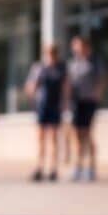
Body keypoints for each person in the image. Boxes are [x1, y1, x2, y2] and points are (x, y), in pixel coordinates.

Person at [24, 44, 68, 182]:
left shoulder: (61, 68)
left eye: (53, 53)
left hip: (55, 106)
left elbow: (66, 87)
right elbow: (30, 86)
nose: (51, 56)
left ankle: (53, 169)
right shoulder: (39, 68)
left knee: (54, 138)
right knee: (40, 138)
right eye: (49, 53)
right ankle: (39, 167)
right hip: (42, 105)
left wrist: (65, 103)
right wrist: (32, 97)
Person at [68, 36, 106, 182]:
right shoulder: (73, 63)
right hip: (76, 102)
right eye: (74, 46)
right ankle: (78, 167)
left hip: (89, 102)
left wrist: (97, 94)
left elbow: (102, 79)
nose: (75, 48)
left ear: (84, 46)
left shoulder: (94, 62)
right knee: (77, 135)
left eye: (77, 45)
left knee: (88, 133)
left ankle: (91, 167)